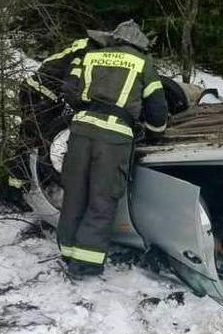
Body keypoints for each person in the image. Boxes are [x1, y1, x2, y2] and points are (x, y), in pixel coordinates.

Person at [58, 21, 168, 279]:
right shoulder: (142, 62)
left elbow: (70, 91)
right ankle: (86, 262)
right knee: (102, 199)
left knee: (74, 194)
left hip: (81, 132)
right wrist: (154, 131)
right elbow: (157, 108)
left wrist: (87, 107)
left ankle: (68, 251)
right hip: (114, 138)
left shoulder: (91, 55)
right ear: (139, 43)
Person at [6, 34, 108, 197]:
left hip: (43, 94)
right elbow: (72, 83)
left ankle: (27, 184)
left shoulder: (84, 47)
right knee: (33, 141)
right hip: (39, 94)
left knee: (37, 140)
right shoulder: (86, 54)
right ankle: (13, 192)